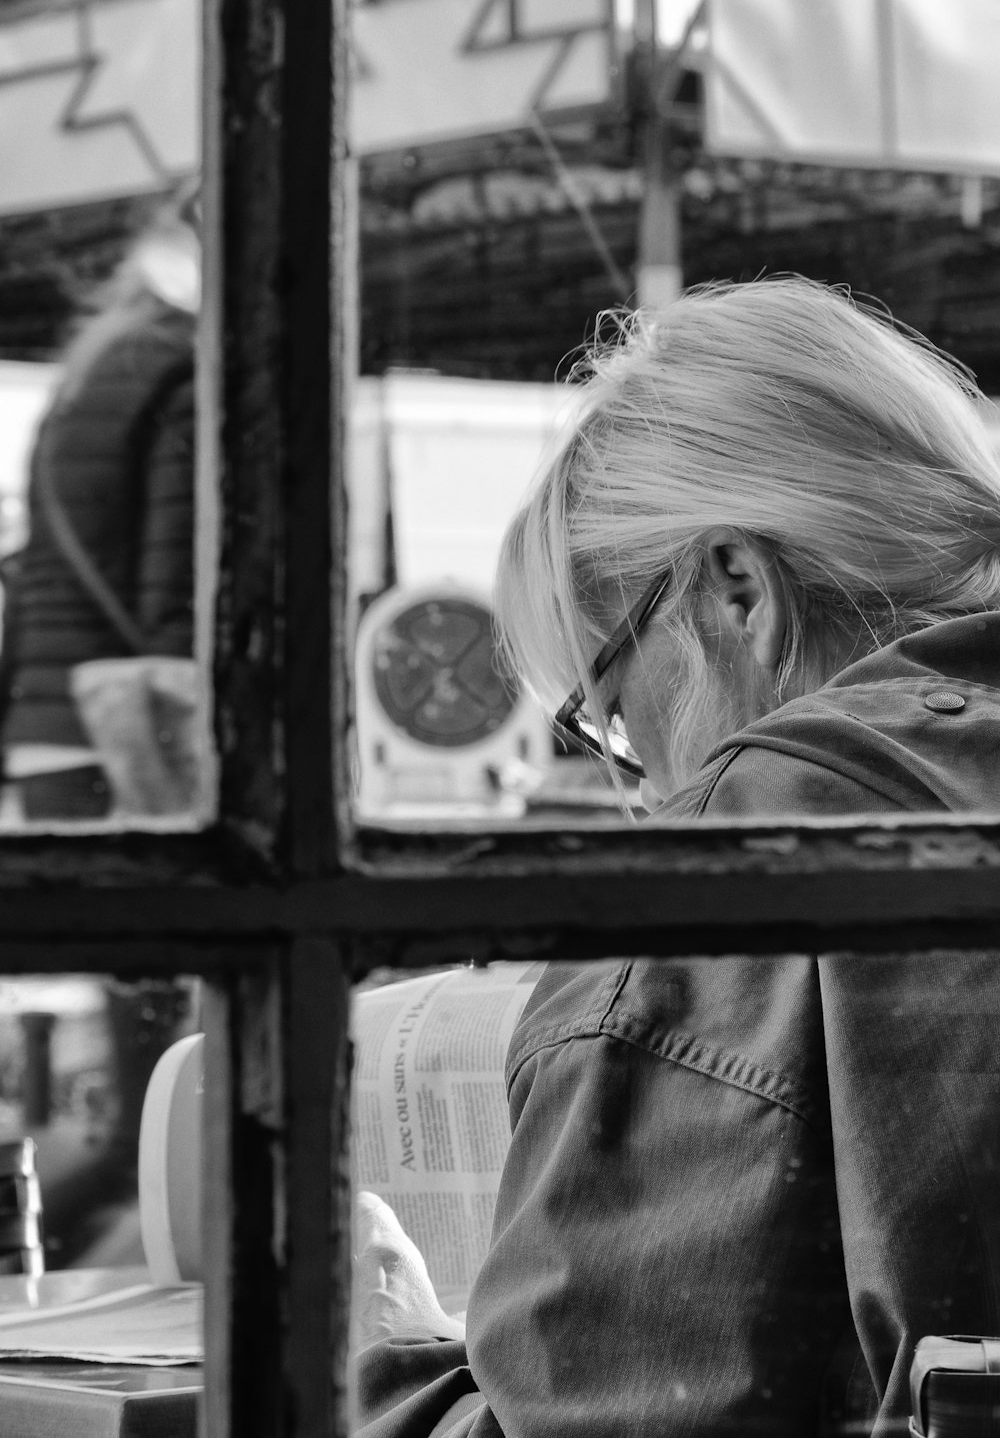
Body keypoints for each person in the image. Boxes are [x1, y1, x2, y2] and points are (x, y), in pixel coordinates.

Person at [350, 277, 1000, 1437]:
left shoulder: (742, 860)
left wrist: (374, 1357)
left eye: (609, 697)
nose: (639, 772)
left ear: (734, 589)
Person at [0, 193, 199, 820]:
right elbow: (175, 588)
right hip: (124, 738)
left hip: (46, 724)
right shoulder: (185, 372)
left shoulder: (86, 372)